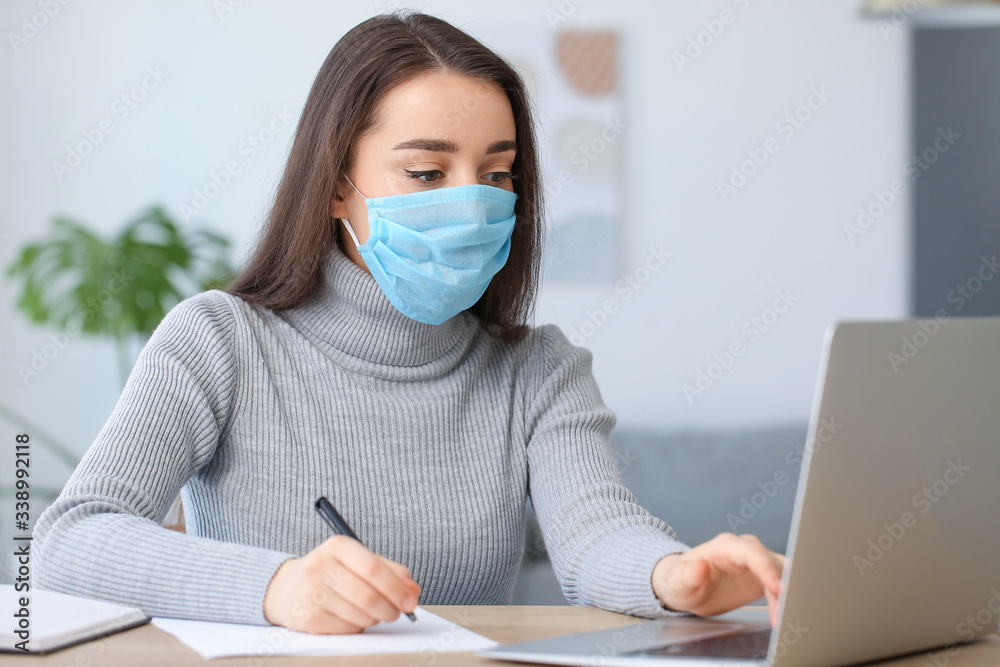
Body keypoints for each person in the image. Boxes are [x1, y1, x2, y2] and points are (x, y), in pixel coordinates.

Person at [33, 10, 785, 635]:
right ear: (334, 184)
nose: (472, 201)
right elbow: (69, 542)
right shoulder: (218, 340)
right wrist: (276, 585)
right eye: (427, 172)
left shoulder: (540, 368)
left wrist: (672, 574)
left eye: (497, 173)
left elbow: (594, 537)